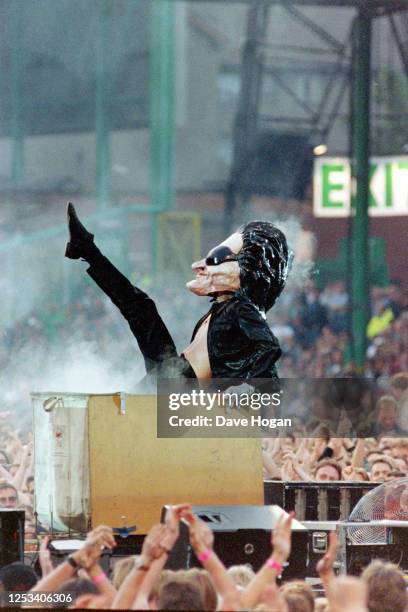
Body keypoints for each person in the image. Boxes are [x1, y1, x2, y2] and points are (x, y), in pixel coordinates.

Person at [65, 203, 291, 382]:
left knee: (140, 308)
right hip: (174, 370)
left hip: (181, 384)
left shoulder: (240, 307)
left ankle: (86, 248)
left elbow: (268, 346)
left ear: (242, 272)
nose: (199, 266)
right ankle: (86, 249)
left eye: (215, 259)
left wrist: (245, 389)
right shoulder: (219, 310)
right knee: (141, 307)